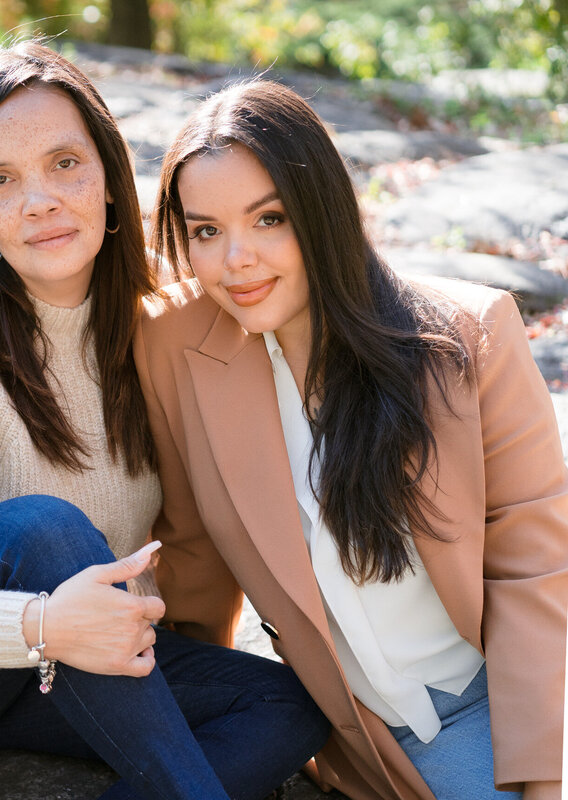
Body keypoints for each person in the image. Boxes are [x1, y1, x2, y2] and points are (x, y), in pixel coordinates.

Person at [0, 42, 330, 800]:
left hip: (60, 665)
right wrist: (42, 625)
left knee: (286, 704)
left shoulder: (161, 327)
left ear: (110, 177)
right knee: (41, 532)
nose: (39, 201)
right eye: (1, 180)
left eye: (65, 164)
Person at [137, 79, 567, 800]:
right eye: (206, 231)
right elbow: (191, 552)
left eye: (268, 218)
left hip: (504, 704)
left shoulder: (471, 335)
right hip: (356, 733)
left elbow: (535, 568)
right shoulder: (173, 343)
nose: (235, 259)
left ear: (323, 211)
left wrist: (545, 778)